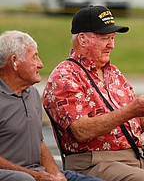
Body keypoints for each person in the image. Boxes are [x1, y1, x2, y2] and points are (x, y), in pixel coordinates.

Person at [43, 5, 144, 181]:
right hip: (91, 162)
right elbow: (81, 131)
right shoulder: (64, 77)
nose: (112, 45)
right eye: (105, 38)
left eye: (113, 38)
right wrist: (132, 110)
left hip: (137, 156)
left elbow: (136, 126)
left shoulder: (114, 73)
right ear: (83, 40)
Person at [0, 30, 102, 181]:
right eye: (34, 57)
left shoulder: (32, 94)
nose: (40, 64)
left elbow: (39, 144)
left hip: (38, 173)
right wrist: (34, 175)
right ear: (15, 61)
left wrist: (57, 175)